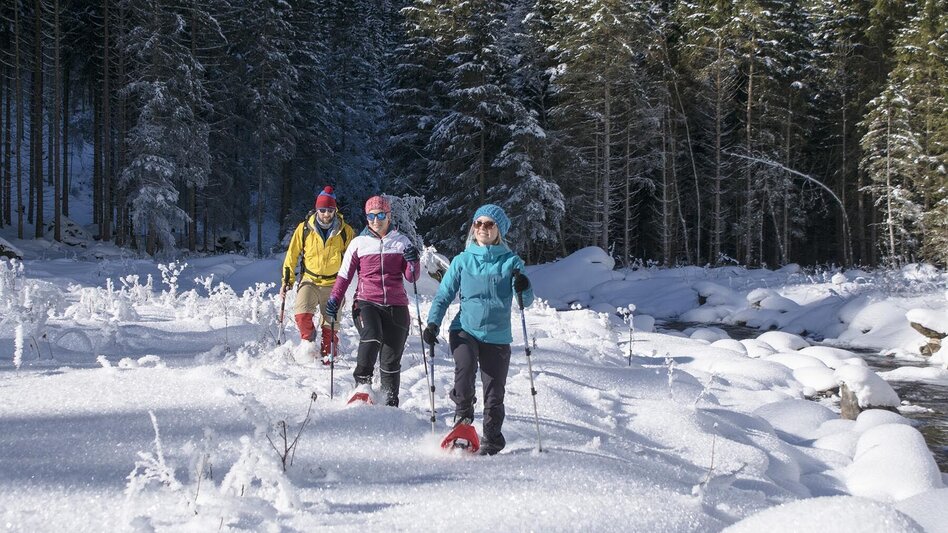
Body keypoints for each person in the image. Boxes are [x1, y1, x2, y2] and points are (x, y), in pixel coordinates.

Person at [423, 204, 533, 455]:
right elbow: (443, 295)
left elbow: (525, 302)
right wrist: (433, 323)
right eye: (478, 224)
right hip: (465, 329)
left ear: (499, 230)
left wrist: (523, 285)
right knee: (465, 368)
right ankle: (462, 422)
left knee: (494, 393)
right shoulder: (463, 260)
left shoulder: (511, 262)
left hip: (497, 335)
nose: (482, 229)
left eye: (489, 224)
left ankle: (492, 438)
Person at [325, 195, 421, 406]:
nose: (375, 220)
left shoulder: (402, 242)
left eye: (380, 215)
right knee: (372, 334)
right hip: (366, 302)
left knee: (390, 359)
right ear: (366, 217)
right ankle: (363, 384)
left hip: (397, 306)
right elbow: (344, 275)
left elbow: (411, 277)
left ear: (388, 216)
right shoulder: (358, 243)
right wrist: (334, 300)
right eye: (370, 216)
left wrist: (413, 261)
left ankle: (389, 401)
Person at [281, 186, 355, 364]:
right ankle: (310, 341)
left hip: (334, 284)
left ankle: (327, 359)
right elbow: (292, 255)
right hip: (310, 281)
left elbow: (353, 260)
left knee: (330, 329)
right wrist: (287, 281)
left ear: (335, 210)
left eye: (330, 210)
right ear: (316, 209)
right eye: (322, 210)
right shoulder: (304, 228)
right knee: (301, 315)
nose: (326, 214)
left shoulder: (345, 231)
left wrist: (351, 289)